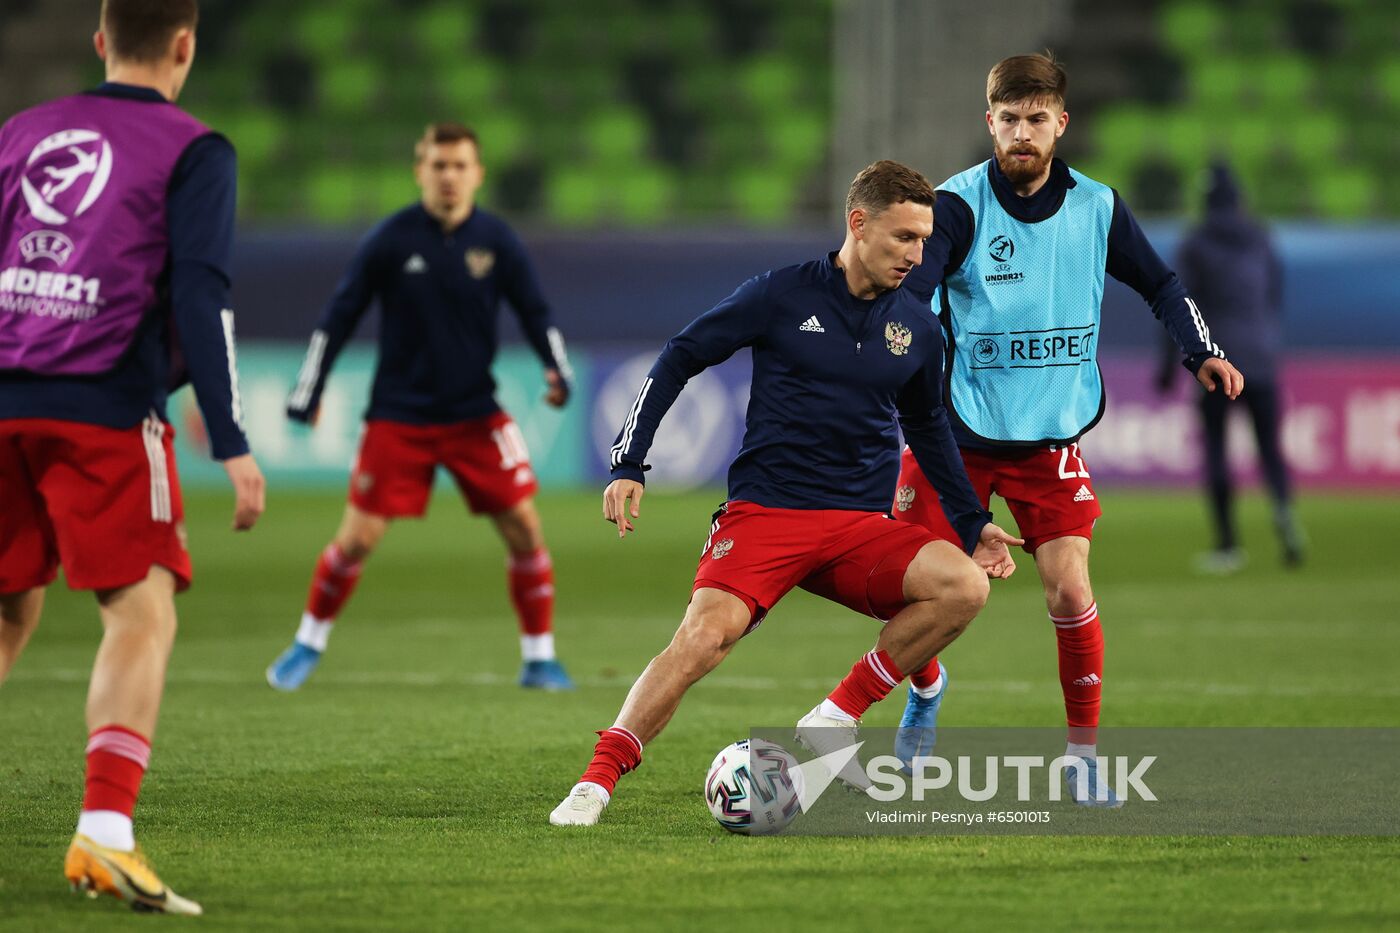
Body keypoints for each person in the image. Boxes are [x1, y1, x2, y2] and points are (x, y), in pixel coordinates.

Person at [549, 160, 1024, 827]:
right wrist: (630, 458)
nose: (917, 255)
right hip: (768, 513)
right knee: (703, 636)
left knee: (964, 588)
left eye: (924, 240)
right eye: (903, 238)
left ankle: (834, 716)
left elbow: (929, 427)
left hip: (861, 524)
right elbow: (683, 353)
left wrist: (974, 523)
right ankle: (594, 783)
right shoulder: (780, 295)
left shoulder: (917, 328)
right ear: (858, 223)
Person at [892, 53, 1244, 805]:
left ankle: (1081, 758)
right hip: (956, 431)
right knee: (911, 596)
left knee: (1069, 589)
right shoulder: (954, 207)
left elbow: (1162, 283)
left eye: (1037, 118)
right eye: (1009, 119)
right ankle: (926, 689)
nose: (1023, 132)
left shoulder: (1097, 208)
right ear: (990, 122)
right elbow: (917, 288)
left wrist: (1201, 350)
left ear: (1061, 123)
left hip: (1048, 435)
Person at [0, 0, 265, 914]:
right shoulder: (197, 151)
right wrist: (229, 439)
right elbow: (201, 291)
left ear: (101, 38)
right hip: (104, 409)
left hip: (3, 401)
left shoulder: (22, 133)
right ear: (185, 46)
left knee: (5, 609)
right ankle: (105, 834)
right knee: (140, 604)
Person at [272, 122, 575, 692]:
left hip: (474, 414)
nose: (449, 177)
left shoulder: (498, 242)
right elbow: (339, 316)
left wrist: (556, 368)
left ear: (477, 174)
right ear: (420, 171)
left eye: (460, 166)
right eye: (438, 165)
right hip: (399, 416)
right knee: (357, 538)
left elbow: (537, 313)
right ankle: (307, 643)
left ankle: (540, 658)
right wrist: (308, 391)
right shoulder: (390, 240)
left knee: (525, 528)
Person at [1158, 161, 1303, 573]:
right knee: (1270, 449)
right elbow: (1274, 295)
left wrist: (1170, 365)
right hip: (1261, 356)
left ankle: (1227, 544)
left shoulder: (1196, 242)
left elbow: (1176, 305)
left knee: (1217, 450)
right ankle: (1284, 515)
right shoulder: (1260, 237)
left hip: (1217, 361)